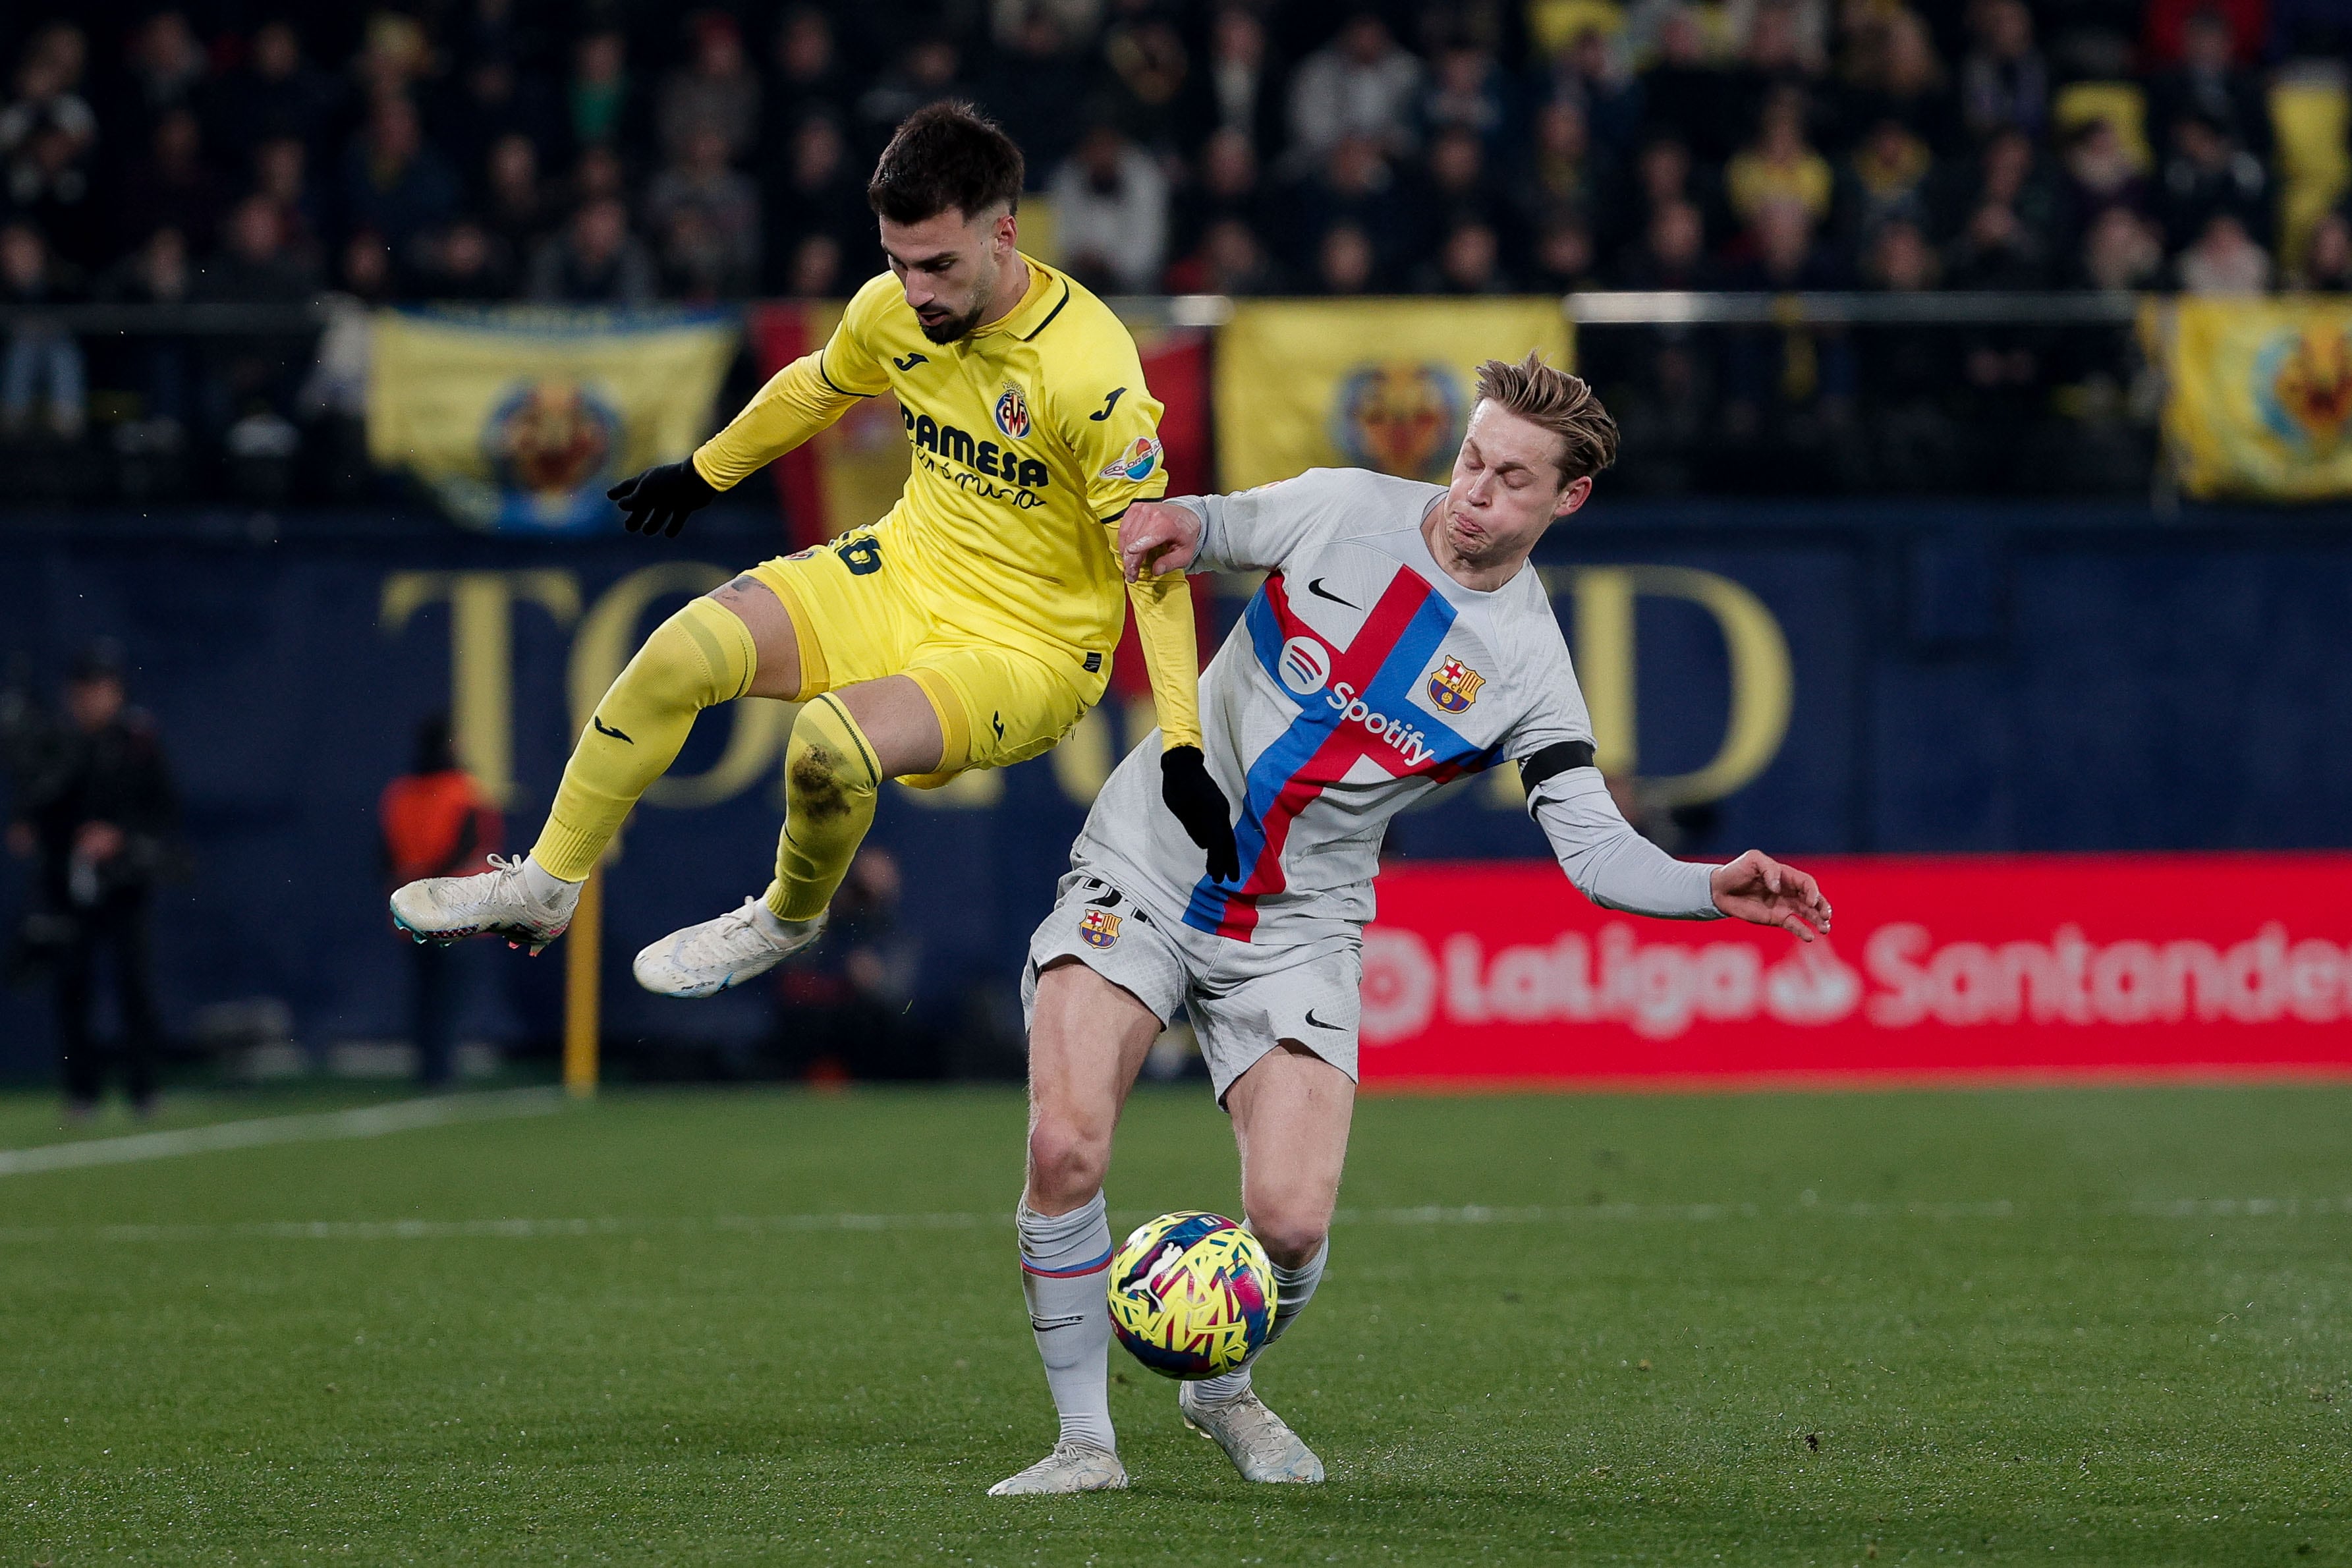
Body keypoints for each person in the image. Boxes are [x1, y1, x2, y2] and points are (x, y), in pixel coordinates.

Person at [989, 354, 1832, 1495]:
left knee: (1287, 1225)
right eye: (1472, 459)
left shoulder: (1529, 665)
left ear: (1566, 501)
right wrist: (1170, 519)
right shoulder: (1344, 509)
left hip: (1297, 926)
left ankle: (1221, 1389)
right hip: (1144, 863)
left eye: (1510, 480)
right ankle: (1085, 1442)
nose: (1471, 491)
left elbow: (1590, 849)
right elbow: (1211, 523)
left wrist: (1704, 886)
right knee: (1065, 1144)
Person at [389, 102, 1231, 1002]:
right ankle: (545, 889)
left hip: (1031, 651)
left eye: (938, 265)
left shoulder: (1088, 370)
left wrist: (1181, 746)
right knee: (676, 653)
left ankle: (786, 917)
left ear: (1003, 235)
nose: (916, 293)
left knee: (827, 744)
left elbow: (1153, 559)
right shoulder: (898, 307)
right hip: (906, 572)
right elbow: (819, 384)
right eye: (897, 264)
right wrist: (704, 473)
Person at [6, 643, 177, 1118]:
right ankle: (82, 1092)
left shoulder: (139, 740)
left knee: (134, 987)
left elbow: (162, 810)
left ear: (116, 693)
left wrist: (119, 836)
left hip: (124, 883)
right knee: (73, 987)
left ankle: (144, 1090)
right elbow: (36, 806)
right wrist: (32, 827)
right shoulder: (55, 742)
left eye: (101, 690)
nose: (92, 700)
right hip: (67, 887)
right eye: (84, 691)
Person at [379, 717, 499, 1088]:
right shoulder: (463, 791)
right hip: (456, 909)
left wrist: (411, 881)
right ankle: (442, 1072)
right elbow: (468, 847)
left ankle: (427, 1069)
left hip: (411, 911)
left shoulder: (398, 793)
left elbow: (383, 856)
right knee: (448, 998)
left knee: (423, 996)